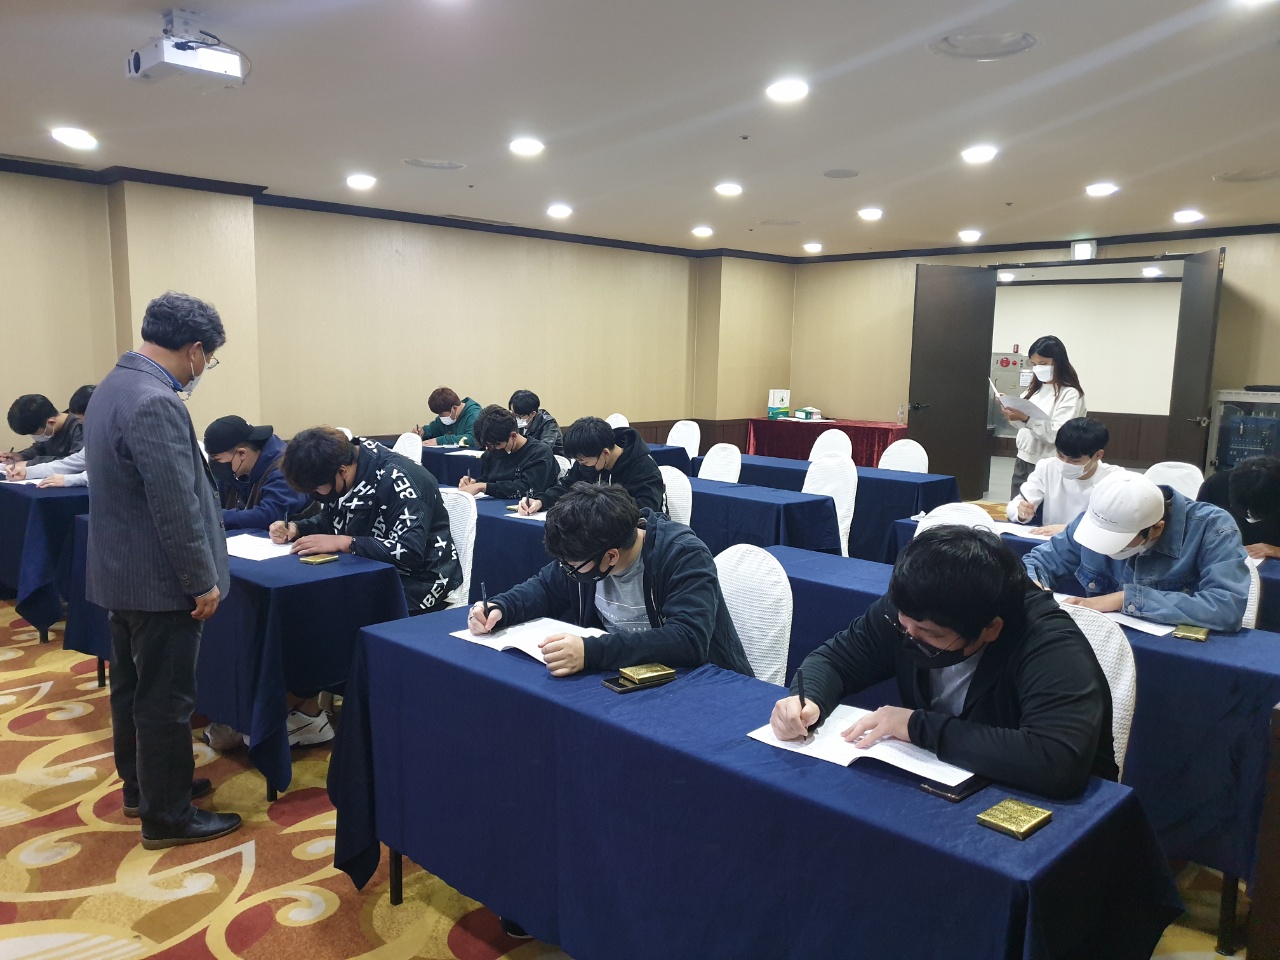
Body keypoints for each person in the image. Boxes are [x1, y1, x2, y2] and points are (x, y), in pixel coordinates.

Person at [769, 526, 1116, 800]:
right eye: (904, 625)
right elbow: (836, 658)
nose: (910, 637)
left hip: (1049, 811)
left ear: (990, 629)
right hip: (947, 782)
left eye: (930, 634)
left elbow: (1055, 761)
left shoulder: (1049, 644)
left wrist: (916, 726)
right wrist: (807, 698)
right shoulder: (911, 608)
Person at [85, 291, 241, 848]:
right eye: (208, 358)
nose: (203, 368)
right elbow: (175, 504)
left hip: (122, 573)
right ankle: (168, 816)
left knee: (132, 689)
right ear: (195, 349)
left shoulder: (114, 385)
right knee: (166, 700)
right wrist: (201, 579)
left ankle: (144, 788)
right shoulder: (156, 400)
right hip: (160, 582)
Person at [469, 483, 752, 677]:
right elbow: (545, 586)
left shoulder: (683, 554)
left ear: (611, 556)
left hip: (701, 682)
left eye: (572, 566)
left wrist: (591, 652)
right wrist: (501, 607)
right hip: (630, 675)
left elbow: (688, 640)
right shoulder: (588, 550)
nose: (567, 569)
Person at [1023, 471, 1249, 631]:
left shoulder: (1212, 528)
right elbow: (1038, 561)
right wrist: (1033, 587)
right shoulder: (1099, 515)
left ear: (1156, 529)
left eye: (1118, 543)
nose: (1106, 549)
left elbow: (1226, 607)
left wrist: (1125, 599)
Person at [273, 428, 463, 615]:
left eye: (316, 488)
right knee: (304, 599)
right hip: (368, 570)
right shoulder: (348, 468)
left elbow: (408, 551)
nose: (315, 495)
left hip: (419, 583)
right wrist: (297, 528)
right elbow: (332, 519)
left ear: (342, 471)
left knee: (326, 609)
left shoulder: (402, 480)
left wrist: (346, 543)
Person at [518, 416, 663, 515]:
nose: (581, 465)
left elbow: (647, 508)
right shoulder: (589, 460)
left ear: (605, 453)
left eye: (584, 461)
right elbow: (567, 487)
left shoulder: (643, 466)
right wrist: (540, 501)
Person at [1006, 417, 1122, 535]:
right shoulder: (1047, 467)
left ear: (1098, 455)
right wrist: (1021, 513)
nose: (1064, 464)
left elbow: (1116, 526)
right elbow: (1015, 506)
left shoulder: (1115, 480)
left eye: (1075, 460)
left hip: (1088, 541)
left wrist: (1069, 530)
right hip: (1048, 539)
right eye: (1060, 455)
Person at [1004, 336, 1087, 499]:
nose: (1038, 369)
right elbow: (1021, 427)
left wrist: (1027, 419)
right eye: (1034, 364)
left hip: (1049, 462)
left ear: (1058, 362)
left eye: (1043, 363)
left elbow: (1057, 434)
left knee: (1040, 508)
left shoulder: (1070, 393)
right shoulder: (1034, 389)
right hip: (1023, 459)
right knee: (1018, 505)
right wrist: (1012, 414)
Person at [203, 415, 311, 531]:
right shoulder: (236, 465)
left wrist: (215, 517)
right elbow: (213, 502)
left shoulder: (284, 468)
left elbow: (268, 516)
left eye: (217, 459)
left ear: (242, 453)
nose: (215, 465)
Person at [458, 404, 559, 500]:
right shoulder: (490, 454)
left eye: (496, 445)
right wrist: (474, 483)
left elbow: (528, 488)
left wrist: (484, 487)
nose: (491, 449)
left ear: (513, 436)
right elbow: (488, 480)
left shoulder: (539, 453)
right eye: (488, 446)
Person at [1199, 456, 1280, 561]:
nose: (1249, 516)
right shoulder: (1215, 485)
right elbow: (1196, 532)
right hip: (1224, 557)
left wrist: (1276, 551)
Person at [3, 393, 85, 465]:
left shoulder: (80, 427)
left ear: (51, 422)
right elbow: (38, 449)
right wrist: (21, 456)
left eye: (34, 433)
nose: (35, 437)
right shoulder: (48, 429)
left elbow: (73, 463)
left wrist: (30, 464)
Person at [416, 387, 481, 447]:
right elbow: (432, 430)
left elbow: (473, 439)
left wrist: (439, 441)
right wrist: (422, 432)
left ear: (454, 408)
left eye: (442, 414)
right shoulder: (446, 415)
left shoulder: (474, 414)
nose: (440, 417)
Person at [509, 389, 563, 456]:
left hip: (554, 456)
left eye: (519, 416)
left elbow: (544, 449)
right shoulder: (513, 421)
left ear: (533, 414)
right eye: (513, 414)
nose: (515, 418)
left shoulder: (548, 422)